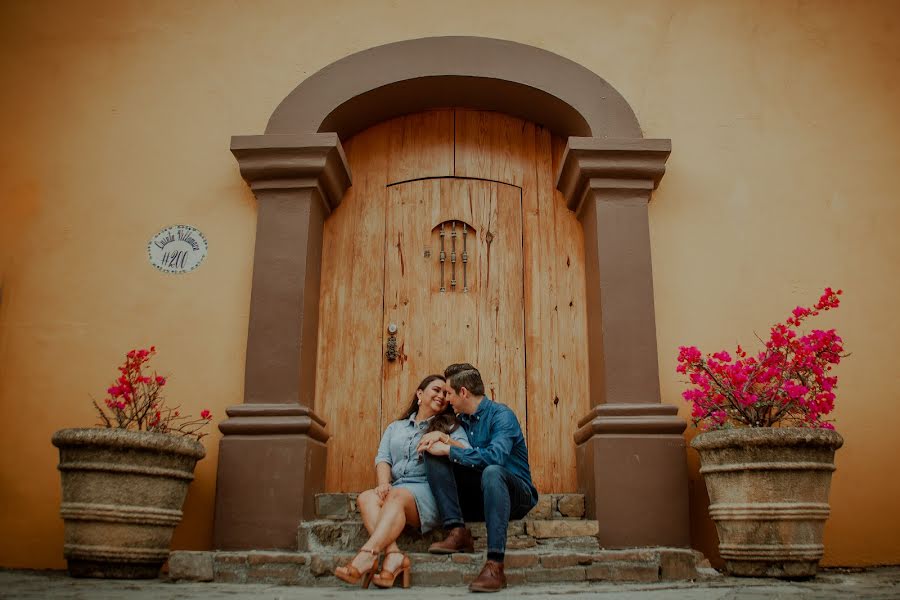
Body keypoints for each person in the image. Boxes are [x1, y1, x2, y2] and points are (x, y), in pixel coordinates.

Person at [334, 374, 469, 589]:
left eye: (446, 393)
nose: (442, 396)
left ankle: (366, 555)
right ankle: (394, 555)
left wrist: (443, 438)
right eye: (436, 390)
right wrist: (383, 483)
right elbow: (383, 458)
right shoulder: (395, 428)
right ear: (420, 394)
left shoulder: (451, 427)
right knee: (367, 497)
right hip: (398, 489)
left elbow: (467, 452)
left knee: (396, 496)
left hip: (428, 491)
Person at [417, 363, 538, 592]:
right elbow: (465, 453)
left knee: (492, 470)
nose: (446, 399)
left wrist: (450, 449)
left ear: (463, 392)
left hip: (515, 495)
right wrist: (442, 439)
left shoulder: (502, 416)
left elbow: (495, 457)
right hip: (482, 497)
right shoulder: (462, 422)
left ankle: (495, 565)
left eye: (449, 393)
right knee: (434, 452)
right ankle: (457, 531)